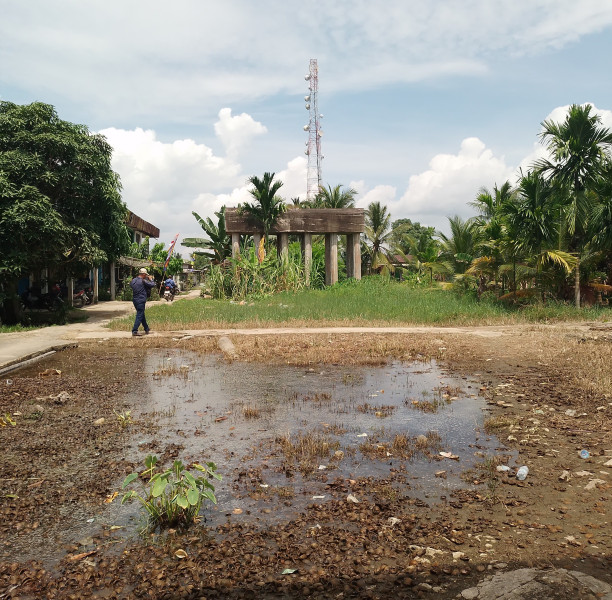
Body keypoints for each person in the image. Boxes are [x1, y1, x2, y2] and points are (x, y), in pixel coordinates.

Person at [130, 268, 156, 336]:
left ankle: (146, 328)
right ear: (144, 274)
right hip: (141, 300)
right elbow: (153, 284)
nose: (146, 276)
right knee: (139, 315)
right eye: (146, 275)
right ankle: (134, 331)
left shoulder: (133, 280)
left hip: (135, 300)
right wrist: (151, 279)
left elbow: (131, 285)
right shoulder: (143, 281)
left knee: (141, 314)